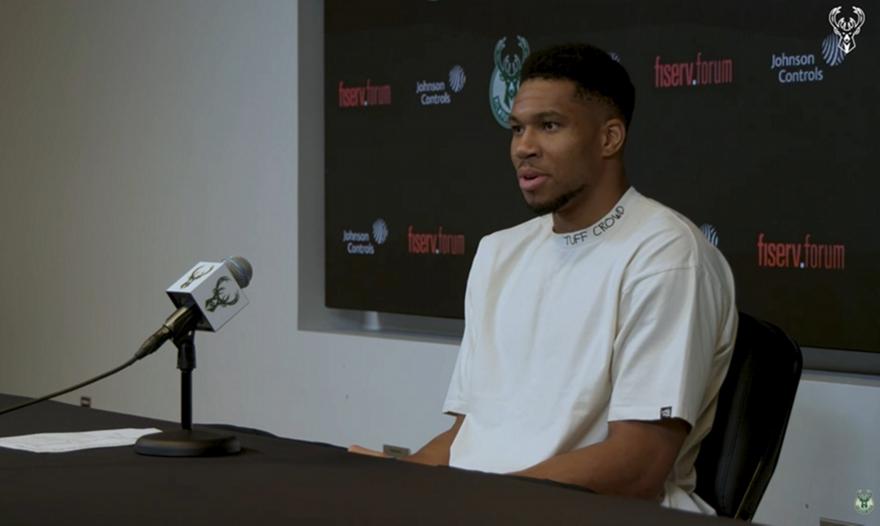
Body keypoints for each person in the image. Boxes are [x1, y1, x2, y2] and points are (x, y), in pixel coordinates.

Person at [350, 43, 737, 514]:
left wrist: (471, 500)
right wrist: (400, 483)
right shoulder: (498, 252)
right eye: (517, 128)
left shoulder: (665, 254)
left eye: (549, 126)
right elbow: (467, 437)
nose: (523, 147)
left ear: (609, 138)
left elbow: (638, 466)